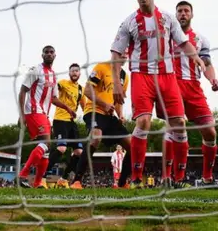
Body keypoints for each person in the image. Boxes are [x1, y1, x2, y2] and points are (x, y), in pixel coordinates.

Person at [110, 0, 205, 189]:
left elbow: (183, 42)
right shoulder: (129, 22)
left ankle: (179, 179)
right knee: (143, 122)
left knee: (179, 124)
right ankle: (135, 179)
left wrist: (196, 58)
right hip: (141, 75)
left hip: (168, 77)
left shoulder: (168, 19)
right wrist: (116, 82)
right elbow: (116, 52)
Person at [167, 0, 218, 186]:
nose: (183, 14)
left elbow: (207, 63)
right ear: (176, 15)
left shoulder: (200, 39)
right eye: (179, 11)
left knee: (210, 131)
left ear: (191, 14)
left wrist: (212, 79)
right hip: (172, 86)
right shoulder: (168, 37)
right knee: (175, 128)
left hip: (194, 87)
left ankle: (207, 177)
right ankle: (172, 178)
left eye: (186, 11)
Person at [17, 46, 76, 188]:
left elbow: (54, 98)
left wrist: (67, 108)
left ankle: (37, 184)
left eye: (51, 52)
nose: (49, 54)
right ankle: (22, 175)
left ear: (55, 55)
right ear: (42, 55)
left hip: (43, 113)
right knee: (47, 142)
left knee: (46, 150)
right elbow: (22, 91)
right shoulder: (35, 70)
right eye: (46, 52)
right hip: (33, 110)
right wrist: (21, 115)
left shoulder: (53, 75)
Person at [69, 61, 132, 189]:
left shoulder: (124, 76)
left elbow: (118, 100)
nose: (124, 53)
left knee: (132, 145)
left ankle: (122, 183)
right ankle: (77, 181)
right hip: (93, 111)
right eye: (121, 50)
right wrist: (104, 105)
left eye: (127, 50)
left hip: (109, 116)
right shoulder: (101, 67)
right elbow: (87, 90)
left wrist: (120, 115)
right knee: (95, 138)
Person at [43, 63, 88, 189]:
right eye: (72, 71)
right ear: (69, 73)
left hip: (71, 123)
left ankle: (63, 179)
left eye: (77, 71)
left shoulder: (81, 89)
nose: (74, 73)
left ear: (79, 73)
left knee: (79, 152)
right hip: (60, 120)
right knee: (61, 149)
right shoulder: (63, 83)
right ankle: (42, 175)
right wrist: (48, 84)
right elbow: (54, 88)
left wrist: (89, 120)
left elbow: (84, 107)